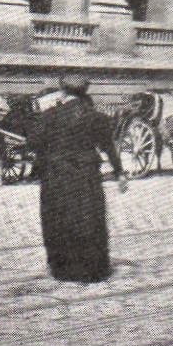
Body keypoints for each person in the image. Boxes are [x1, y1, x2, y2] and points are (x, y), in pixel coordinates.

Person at [31, 74, 123, 284]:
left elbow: (34, 143)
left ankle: (62, 269)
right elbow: (109, 147)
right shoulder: (96, 117)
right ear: (85, 92)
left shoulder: (49, 115)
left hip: (56, 177)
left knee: (58, 220)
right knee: (89, 220)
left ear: (63, 92)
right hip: (86, 176)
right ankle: (93, 269)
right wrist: (120, 173)